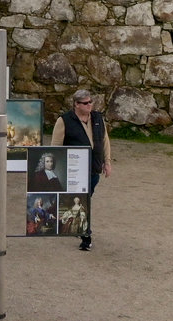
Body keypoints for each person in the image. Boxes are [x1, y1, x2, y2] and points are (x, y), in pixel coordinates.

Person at [50, 88, 113, 251]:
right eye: (85, 103)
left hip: (93, 168)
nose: (89, 105)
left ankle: (77, 225)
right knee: (82, 202)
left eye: (90, 102)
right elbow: (55, 147)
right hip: (74, 170)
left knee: (85, 199)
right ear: (76, 104)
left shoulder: (98, 118)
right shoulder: (64, 121)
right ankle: (86, 236)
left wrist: (107, 162)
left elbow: (104, 140)